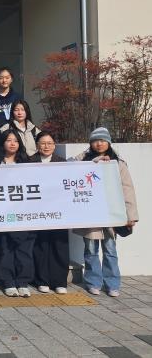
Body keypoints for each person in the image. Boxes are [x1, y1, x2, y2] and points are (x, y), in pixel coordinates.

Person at [71, 127, 138, 297]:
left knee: (110, 250)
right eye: (95, 140)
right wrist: (92, 161)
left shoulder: (118, 163)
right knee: (91, 250)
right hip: (90, 214)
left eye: (102, 140)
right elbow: (69, 167)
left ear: (109, 142)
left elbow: (127, 189)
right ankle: (93, 282)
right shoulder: (84, 160)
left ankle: (112, 284)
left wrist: (130, 216)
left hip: (112, 214)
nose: (99, 143)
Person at [0, 129, 34, 297]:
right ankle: (8, 281)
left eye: (15, 141)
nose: (12, 143)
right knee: (5, 248)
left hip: (24, 211)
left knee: (24, 248)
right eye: (9, 140)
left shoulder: (27, 162)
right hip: (1, 212)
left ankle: (23, 282)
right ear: (3, 143)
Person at [29, 132, 69, 294]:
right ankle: (42, 280)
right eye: (43, 143)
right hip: (37, 210)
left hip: (58, 210)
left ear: (54, 145)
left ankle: (59, 282)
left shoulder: (62, 162)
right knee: (41, 245)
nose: (46, 146)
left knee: (60, 245)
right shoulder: (28, 162)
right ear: (37, 145)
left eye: (50, 143)